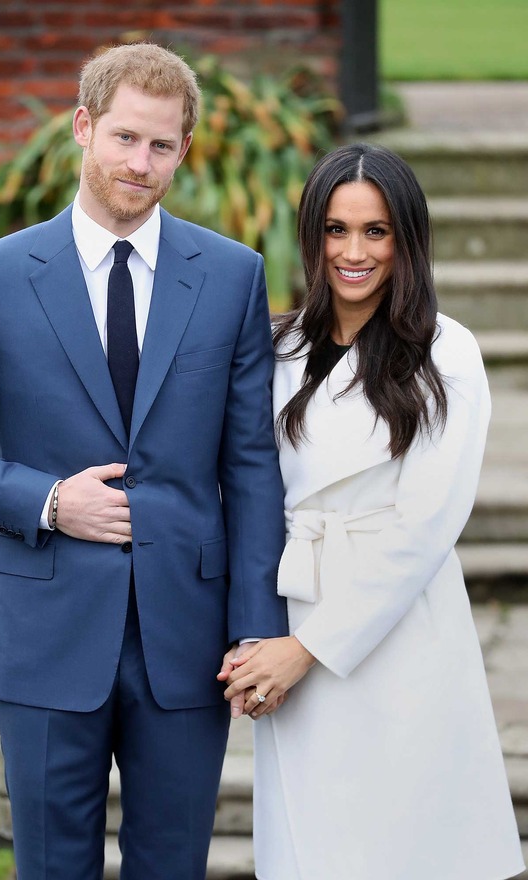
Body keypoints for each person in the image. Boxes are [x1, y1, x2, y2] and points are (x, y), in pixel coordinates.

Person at [0, 42, 288, 880]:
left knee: (172, 866)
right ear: (83, 128)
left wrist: (258, 626)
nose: (139, 163)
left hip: (187, 637)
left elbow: (252, 466)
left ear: (184, 151)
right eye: (124, 138)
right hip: (44, 634)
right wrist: (45, 502)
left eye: (161, 145)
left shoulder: (231, 277)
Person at [223, 143, 525, 880]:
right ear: (311, 237)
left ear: (407, 240)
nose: (353, 252)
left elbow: (423, 527)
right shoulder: (277, 345)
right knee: (311, 848)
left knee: (402, 846)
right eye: (335, 229)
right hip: (290, 615)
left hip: (394, 633)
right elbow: (245, 490)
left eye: (375, 231)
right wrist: (255, 635)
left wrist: (308, 649)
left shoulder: (445, 352)